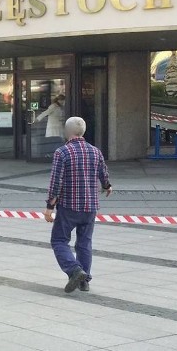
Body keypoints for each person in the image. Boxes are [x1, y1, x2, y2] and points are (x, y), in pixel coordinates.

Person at [44, 116, 112, 293]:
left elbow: (55, 182)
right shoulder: (95, 152)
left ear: (67, 132)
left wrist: (49, 207)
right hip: (90, 206)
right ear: (83, 131)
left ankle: (75, 271)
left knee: (59, 240)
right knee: (84, 243)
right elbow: (103, 173)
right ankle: (84, 281)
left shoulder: (62, 152)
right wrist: (107, 186)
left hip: (69, 206)